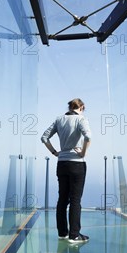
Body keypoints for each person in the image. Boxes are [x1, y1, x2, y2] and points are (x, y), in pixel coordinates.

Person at [41, 98, 91, 244]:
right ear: (81, 107)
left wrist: (55, 152)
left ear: (69, 107)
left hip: (61, 163)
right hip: (76, 163)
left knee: (62, 199)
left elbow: (44, 137)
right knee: (75, 200)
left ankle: (62, 232)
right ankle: (74, 235)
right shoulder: (81, 119)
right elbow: (88, 136)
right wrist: (82, 153)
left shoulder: (59, 120)